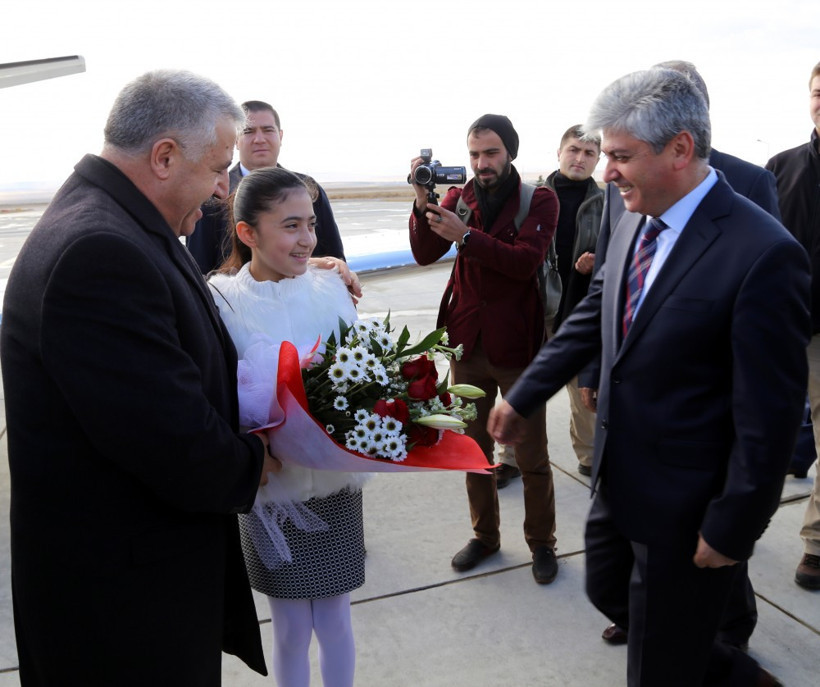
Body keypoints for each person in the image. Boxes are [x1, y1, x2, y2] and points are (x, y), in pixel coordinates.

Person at [489, 68, 809, 686]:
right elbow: (594, 314)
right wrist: (527, 394)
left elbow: (769, 417)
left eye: (621, 157)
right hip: (620, 475)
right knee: (611, 590)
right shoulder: (636, 214)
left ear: (680, 149)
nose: (607, 172)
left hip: (690, 499)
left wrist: (734, 528)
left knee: (657, 663)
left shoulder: (762, 252)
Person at [0, 70, 281, 686]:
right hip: (123, 622)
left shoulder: (109, 222)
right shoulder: (98, 253)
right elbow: (177, 445)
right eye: (215, 170)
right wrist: (257, 456)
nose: (218, 192)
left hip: (126, 598)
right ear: (163, 157)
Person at [584, 59, 784, 650]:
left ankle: (725, 635)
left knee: (711, 544)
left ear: (684, 129)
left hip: (712, 396)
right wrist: (598, 366)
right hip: (643, 401)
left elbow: (754, 300)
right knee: (641, 558)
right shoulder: (632, 186)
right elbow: (610, 290)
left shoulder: (748, 185)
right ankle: (665, 621)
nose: (609, 169)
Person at [208, 167, 366, 687]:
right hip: (271, 485)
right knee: (291, 626)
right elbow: (217, 391)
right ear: (248, 232)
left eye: (311, 225)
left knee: (337, 617)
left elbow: (361, 372)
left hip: (336, 481)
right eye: (290, 225)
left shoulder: (330, 287)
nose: (306, 239)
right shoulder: (222, 300)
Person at [408, 114, 561, 583]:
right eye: (475, 154)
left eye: (491, 153)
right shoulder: (459, 197)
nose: (481, 162)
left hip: (518, 345)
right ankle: (485, 536)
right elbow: (424, 253)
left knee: (531, 455)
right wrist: (422, 202)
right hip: (468, 343)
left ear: (509, 152)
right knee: (473, 451)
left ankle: (542, 543)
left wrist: (467, 237)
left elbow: (524, 263)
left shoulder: (540, 199)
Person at [495, 124, 603, 485]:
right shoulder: (531, 197)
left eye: (589, 153)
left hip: (581, 309)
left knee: (585, 393)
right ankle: (508, 458)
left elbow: (622, 250)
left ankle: (591, 458)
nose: (579, 158)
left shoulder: (607, 203)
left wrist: (597, 259)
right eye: (573, 149)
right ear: (559, 153)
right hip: (533, 308)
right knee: (523, 387)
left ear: (598, 159)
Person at [765, 59, 820, 591]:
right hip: (778, 327)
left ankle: (816, 544)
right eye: (819, 92)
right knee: (750, 432)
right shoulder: (779, 168)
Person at [187, 100, 345, 273]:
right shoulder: (214, 194)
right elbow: (198, 270)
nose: (259, 139)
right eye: (248, 131)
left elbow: (335, 260)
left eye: (268, 130)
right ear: (236, 140)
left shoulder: (308, 190)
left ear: (281, 136)